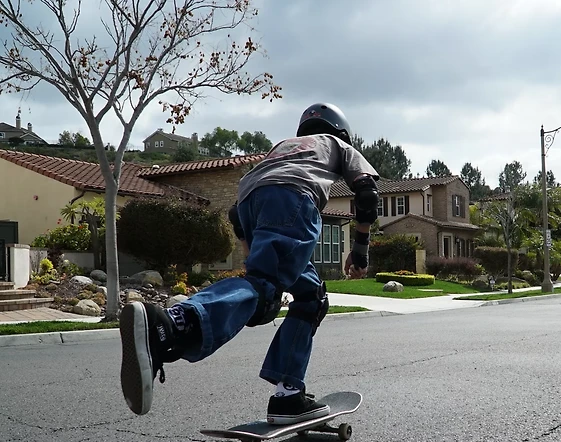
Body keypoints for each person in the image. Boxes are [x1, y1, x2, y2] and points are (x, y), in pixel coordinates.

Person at [118, 103, 380, 423]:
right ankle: (172, 324)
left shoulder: (283, 148)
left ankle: (289, 395)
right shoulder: (338, 144)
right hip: (294, 197)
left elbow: (234, 215)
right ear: (341, 130)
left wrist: (252, 259)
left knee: (311, 297)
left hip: (250, 201)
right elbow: (366, 195)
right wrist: (361, 250)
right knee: (265, 286)